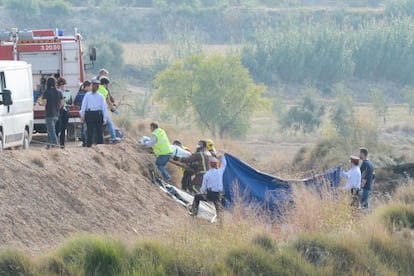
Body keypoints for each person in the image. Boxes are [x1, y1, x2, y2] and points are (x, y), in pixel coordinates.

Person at [189, 156, 224, 224]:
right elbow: (224, 164)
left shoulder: (207, 174)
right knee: (218, 207)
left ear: (210, 165)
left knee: (197, 197)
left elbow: (203, 188)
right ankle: (221, 222)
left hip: (210, 194)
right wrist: (223, 156)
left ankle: (194, 213)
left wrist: (201, 192)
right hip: (219, 194)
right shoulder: (220, 172)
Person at [80, 78, 108, 147]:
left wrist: (105, 118)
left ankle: (101, 146)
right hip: (90, 114)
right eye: (93, 85)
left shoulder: (101, 96)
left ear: (98, 87)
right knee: (90, 132)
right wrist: (82, 115)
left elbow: (104, 108)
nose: (94, 87)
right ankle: (89, 146)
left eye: (96, 86)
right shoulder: (87, 95)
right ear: (92, 86)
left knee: (99, 132)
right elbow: (84, 106)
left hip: (98, 114)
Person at [41, 77, 63, 148]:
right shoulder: (59, 92)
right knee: (50, 130)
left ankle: (56, 145)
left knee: (51, 131)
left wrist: (40, 104)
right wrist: (57, 107)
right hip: (56, 114)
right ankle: (49, 145)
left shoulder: (46, 92)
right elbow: (62, 103)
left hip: (49, 114)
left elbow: (44, 103)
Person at [97, 76, 119, 143]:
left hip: (93, 111)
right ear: (104, 84)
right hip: (103, 110)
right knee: (110, 124)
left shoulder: (95, 88)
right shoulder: (105, 91)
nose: (107, 86)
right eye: (107, 85)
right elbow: (108, 102)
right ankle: (113, 138)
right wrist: (114, 110)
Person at [74, 81, 91, 147]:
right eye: (90, 86)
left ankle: (84, 142)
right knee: (88, 127)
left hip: (81, 112)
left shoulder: (79, 94)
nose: (90, 88)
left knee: (83, 127)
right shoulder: (89, 94)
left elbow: (75, 103)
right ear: (86, 86)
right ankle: (87, 141)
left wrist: (80, 106)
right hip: (88, 112)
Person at [55, 77, 69, 148]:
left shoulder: (67, 91)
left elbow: (69, 101)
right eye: (60, 84)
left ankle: (62, 144)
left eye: (63, 84)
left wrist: (64, 100)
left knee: (64, 128)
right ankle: (55, 143)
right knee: (58, 127)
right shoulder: (57, 92)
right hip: (59, 110)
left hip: (65, 110)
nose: (62, 86)